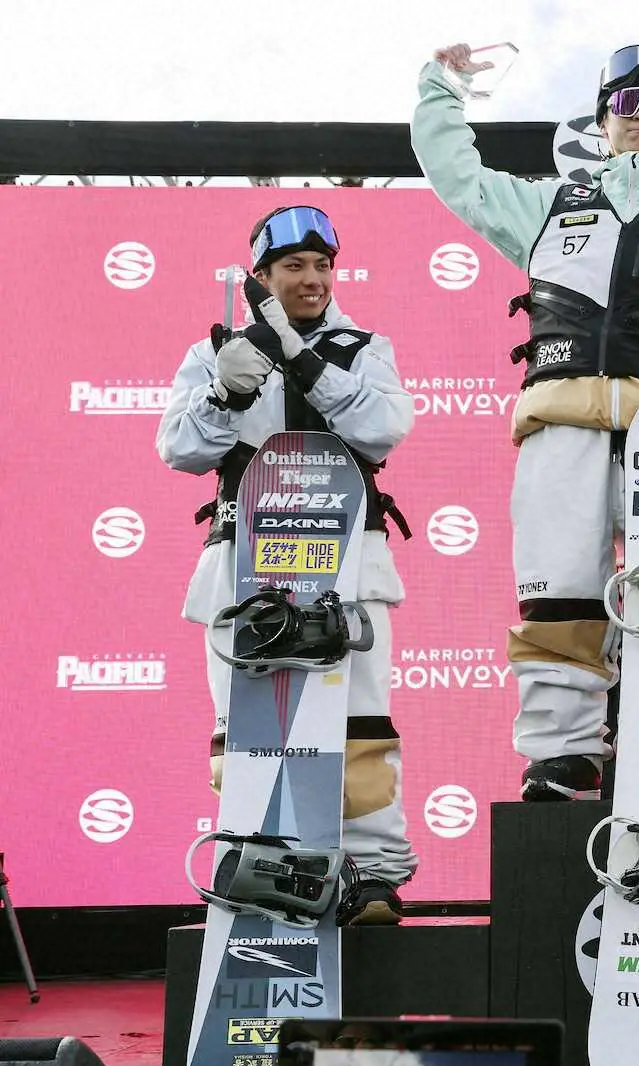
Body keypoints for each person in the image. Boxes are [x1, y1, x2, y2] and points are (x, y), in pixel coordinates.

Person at [411, 43, 639, 801]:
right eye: (624, 105)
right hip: (562, 425)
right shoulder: (551, 205)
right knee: (560, 590)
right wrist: (443, 90)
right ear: (601, 121)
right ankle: (563, 753)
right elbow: (459, 179)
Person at [157, 205, 418, 923]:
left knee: (361, 722)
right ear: (261, 276)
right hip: (244, 562)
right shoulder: (215, 350)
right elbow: (179, 449)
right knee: (248, 727)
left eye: (322, 266)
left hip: (349, 563)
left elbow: (384, 428)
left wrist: (302, 360)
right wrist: (226, 391)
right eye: (294, 266)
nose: (312, 279)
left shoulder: (363, 347)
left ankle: (372, 874)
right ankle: (258, 866)